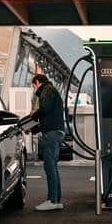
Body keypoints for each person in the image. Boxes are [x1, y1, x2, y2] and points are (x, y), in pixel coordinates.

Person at [27, 74, 66, 211]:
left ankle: (52, 200)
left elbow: (45, 109)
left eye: (33, 86)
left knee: (49, 167)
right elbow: (47, 116)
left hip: (52, 133)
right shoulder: (51, 89)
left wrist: (33, 115)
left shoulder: (47, 90)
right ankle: (56, 200)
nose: (34, 89)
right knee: (53, 167)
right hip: (55, 131)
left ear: (37, 82)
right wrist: (33, 129)